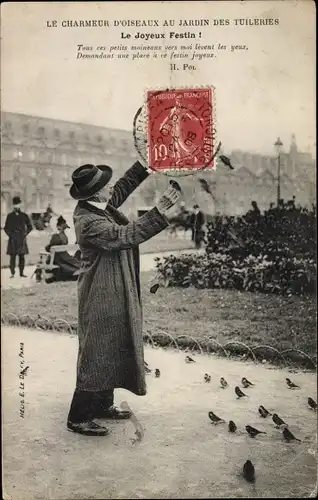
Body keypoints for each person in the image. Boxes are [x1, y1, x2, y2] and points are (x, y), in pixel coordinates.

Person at [67, 161, 180, 436]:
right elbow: (123, 235)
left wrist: (145, 164)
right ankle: (78, 416)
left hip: (113, 286)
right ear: (96, 194)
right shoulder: (88, 220)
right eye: (106, 185)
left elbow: (124, 186)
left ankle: (103, 405)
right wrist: (159, 211)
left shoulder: (98, 205)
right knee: (96, 350)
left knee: (113, 342)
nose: (111, 187)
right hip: (99, 292)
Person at [44, 215, 80, 283]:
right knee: (74, 263)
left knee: (48, 259)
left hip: (58, 258)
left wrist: (47, 247)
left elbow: (49, 248)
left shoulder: (56, 236)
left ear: (58, 226)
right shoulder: (65, 237)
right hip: (65, 257)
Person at [4, 196, 33, 278]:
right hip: (13, 239)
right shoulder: (9, 216)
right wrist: (10, 235)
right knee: (12, 257)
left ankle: (21, 273)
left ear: (20, 205)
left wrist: (25, 234)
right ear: (13, 206)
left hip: (21, 238)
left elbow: (30, 226)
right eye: (15, 205)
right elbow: (6, 228)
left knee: (22, 256)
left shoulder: (24, 215)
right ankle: (12, 273)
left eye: (18, 204)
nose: (16, 206)